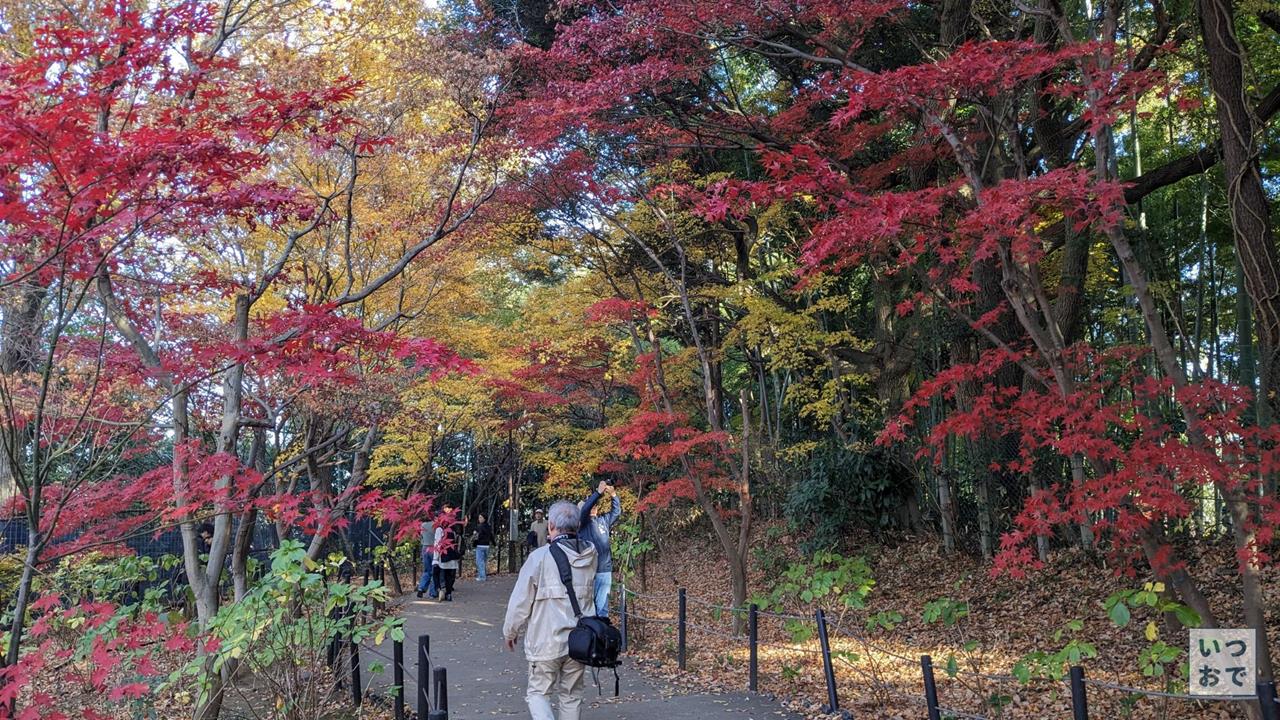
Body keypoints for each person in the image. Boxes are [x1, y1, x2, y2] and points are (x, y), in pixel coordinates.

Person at [503, 501, 597, 720]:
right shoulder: (590, 555)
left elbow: (520, 601)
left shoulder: (540, 557)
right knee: (571, 696)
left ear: (551, 525)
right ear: (578, 524)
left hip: (546, 639)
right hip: (580, 640)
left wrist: (510, 632)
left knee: (538, 693)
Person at [578, 481, 621, 618]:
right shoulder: (582, 523)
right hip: (588, 571)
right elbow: (585, 510)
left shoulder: (603, 520)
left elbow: (616, 512)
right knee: (588, 610)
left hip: (605, 570)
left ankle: (603, 637)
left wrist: (613, 495)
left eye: (596, 506)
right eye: (592, 505)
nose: (594, 508)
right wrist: (598, 493)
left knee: (603, 610)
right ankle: (590, 637)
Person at [433, 504, 461, 601]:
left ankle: (440, 590)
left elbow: (437, 544)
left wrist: (435, 558)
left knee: (437, 573)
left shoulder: (439, 529)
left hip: (443, 555)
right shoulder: (452, 529)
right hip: (452, 554)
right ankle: (449, 594)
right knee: (449, 575)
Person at [416, 517, 438, 599]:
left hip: (425, 548)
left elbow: (421, 536)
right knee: (434, 571)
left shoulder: (423, 525)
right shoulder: (436, 525)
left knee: (426, 570)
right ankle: (432, 593)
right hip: (433, 548)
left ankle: (421, 587)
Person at [472, 513, 494, 581]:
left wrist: (475, 534)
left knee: (480, 561)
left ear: (484, 518)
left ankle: (482, 577)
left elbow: (478, 536)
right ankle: (482, 575)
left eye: (481, 517)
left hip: (480, 545)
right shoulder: (488, 526)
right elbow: (491, 535)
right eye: (479, 517)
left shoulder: (479, 526)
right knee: (483, 561)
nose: (479, 519)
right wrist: (494, 543)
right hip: (486, 546)